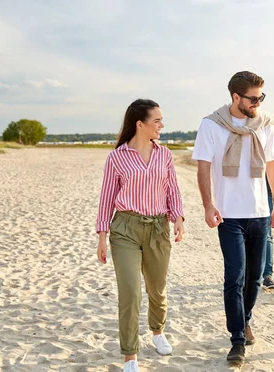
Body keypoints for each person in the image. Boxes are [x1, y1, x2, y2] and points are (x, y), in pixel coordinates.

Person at [192, 71, 274, 364]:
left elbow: (272, 167)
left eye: (261, 98)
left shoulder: (265, 124)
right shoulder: (211, 125)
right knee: (235, 277)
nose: (258, 103)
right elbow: (203, 167)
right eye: (253, 98)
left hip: (259, 213)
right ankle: (237, 340)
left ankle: (245, 319)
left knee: (255, 278)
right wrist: (208, 205)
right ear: (235, 97)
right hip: (229, 214)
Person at [95, 99, 185, 372]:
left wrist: (178, 218)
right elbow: (106, 198)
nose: (161, 125)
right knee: (130, 292)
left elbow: (173, 190)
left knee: (157, 289)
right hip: (125, 229)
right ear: (140, 124)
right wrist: (102, 235)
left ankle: (157, 332)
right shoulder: (117, 157)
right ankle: (130, 355)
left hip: (158, 228)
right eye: (156, 120)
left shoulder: (165, 155)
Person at [263, 123, 274, 290]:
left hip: (265, 192)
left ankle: (267, 275)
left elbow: (273, 168)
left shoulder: (267, 130)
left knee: (267, 235)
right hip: (244, 195)